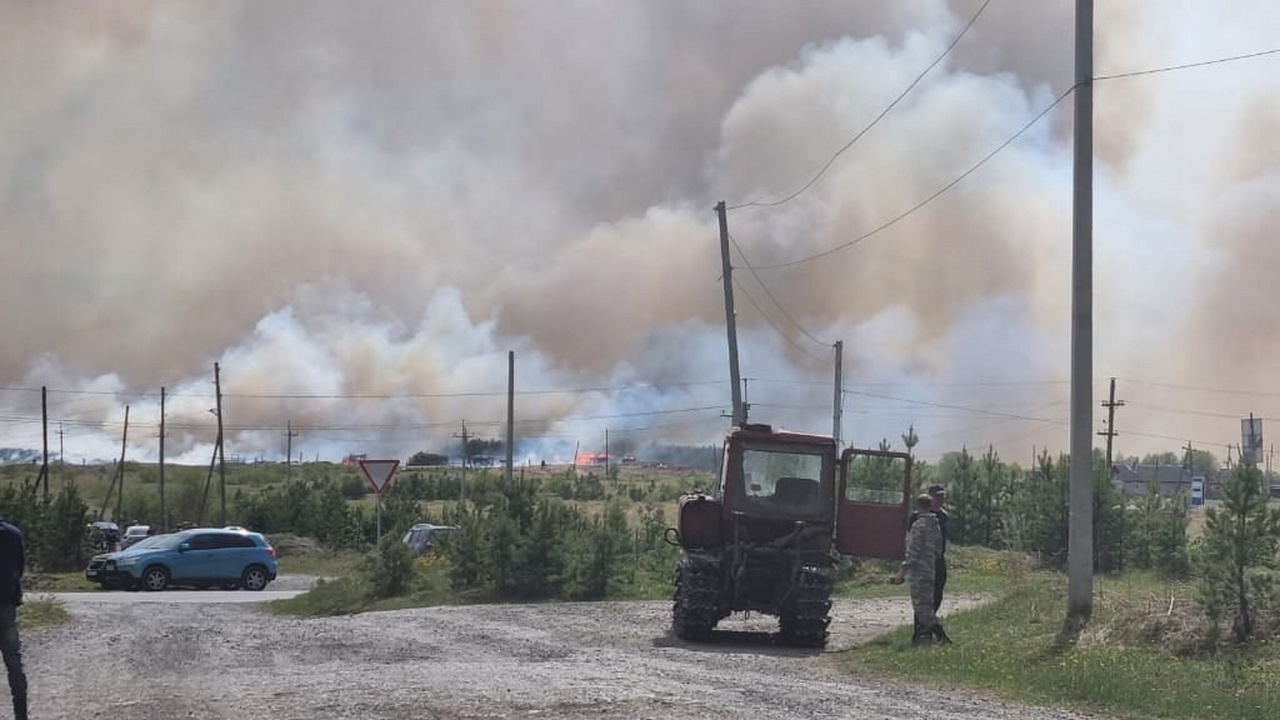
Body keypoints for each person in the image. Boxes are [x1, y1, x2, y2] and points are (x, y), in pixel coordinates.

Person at [900, 494, 951, 645]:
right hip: (931, 570)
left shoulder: (918, 525)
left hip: (918, 572)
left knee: (921, 608)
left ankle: (939, 635)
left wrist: (902, 571)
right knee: (928, 605)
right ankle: (925, 637)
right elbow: (938, 550)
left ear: (918, 506)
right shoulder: (936, 525)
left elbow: (912, 552)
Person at [0, 517, 28, 720]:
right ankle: (21, 714)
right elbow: (20, 567)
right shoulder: (13, 533)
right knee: (13, 659)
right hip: (7, 602)